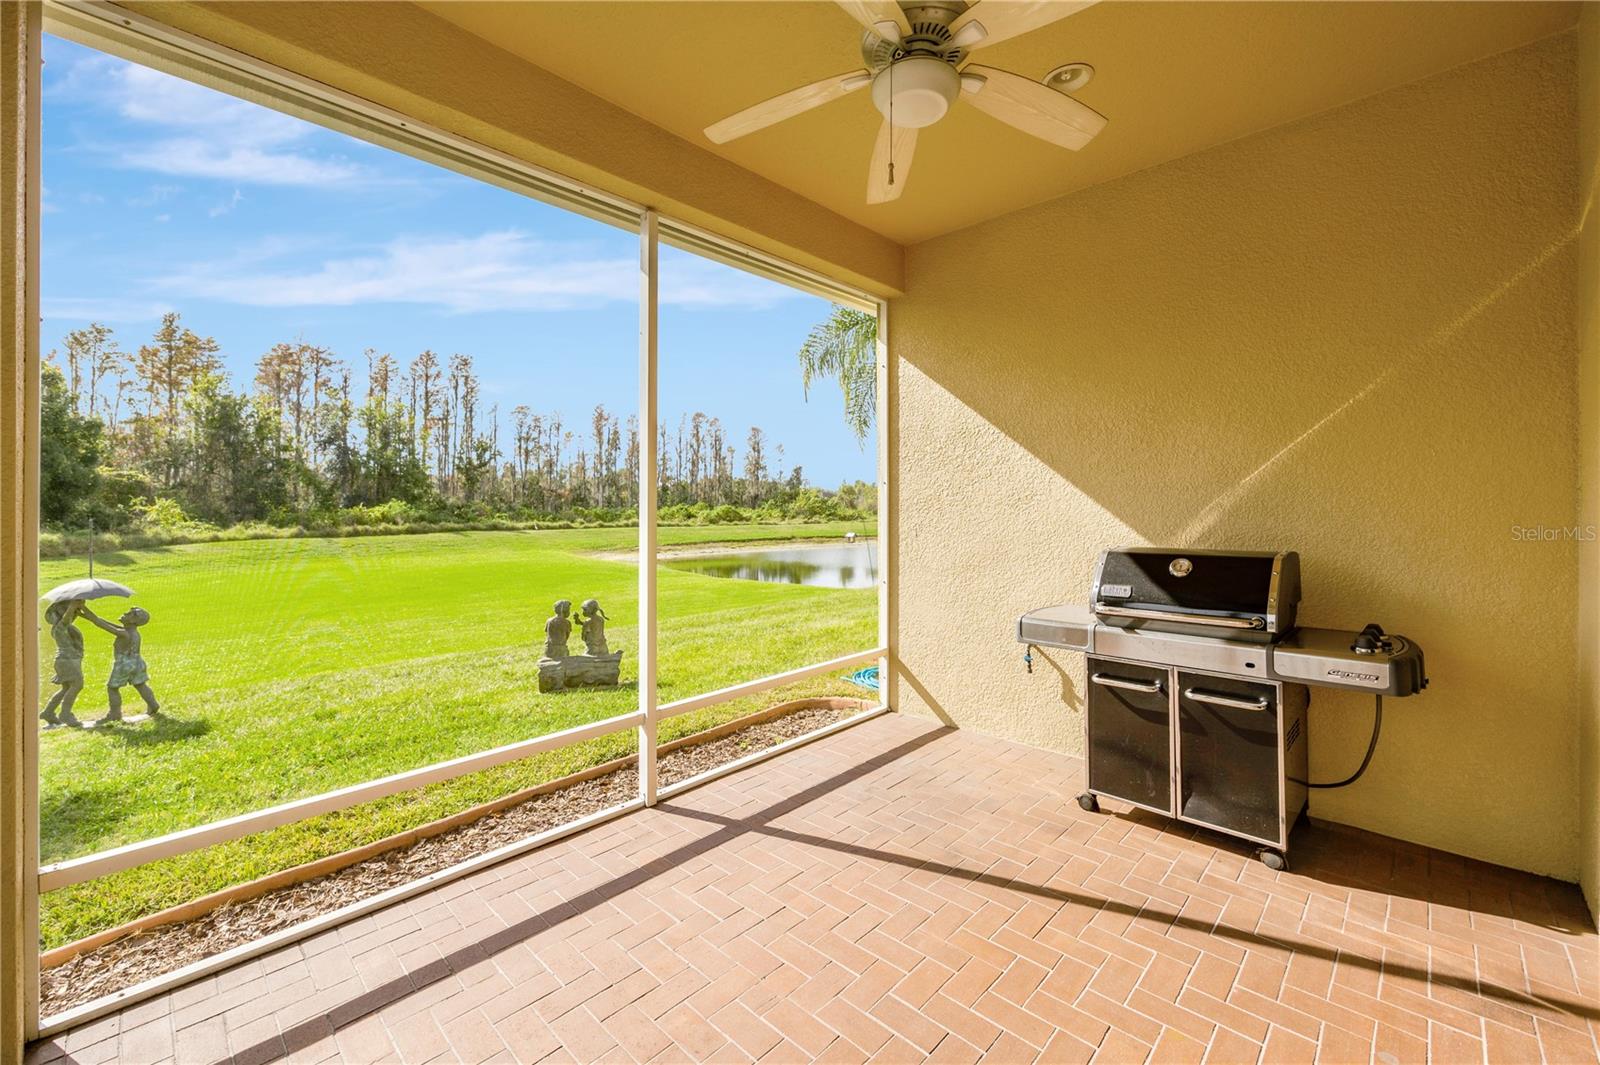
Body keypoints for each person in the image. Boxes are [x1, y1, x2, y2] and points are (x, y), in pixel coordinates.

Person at [81, 604, 159, 722]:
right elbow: (101, 621)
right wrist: (82, 614)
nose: (125, 613)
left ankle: (115, 713)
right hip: (137, 663)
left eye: (129, 613)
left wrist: (83, 607)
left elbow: (99, 623)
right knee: (140, 685)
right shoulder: (132, 632)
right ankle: (153, 705)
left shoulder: (123, 633)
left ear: (133, 621)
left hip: (123, 664)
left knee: (112, 688)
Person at [40, 599, 86, 728]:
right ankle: (65, 714)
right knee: (77, 685)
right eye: (71, 613)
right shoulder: (60, 627)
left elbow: (69, 619)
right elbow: (65, 619)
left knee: (66, 688)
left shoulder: (66, 627)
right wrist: (71, 606)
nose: (74, 615)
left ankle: (48, 712)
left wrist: (79, 609)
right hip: (67, 660)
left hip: (69, 660)